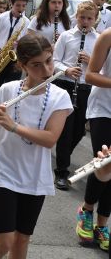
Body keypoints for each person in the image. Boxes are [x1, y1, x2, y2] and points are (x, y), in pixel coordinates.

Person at [0, 34, 73, 259]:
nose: (47, 70)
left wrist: (13, 126)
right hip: (4, 173)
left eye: (49, 61)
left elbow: (50, 138)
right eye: (36, 65)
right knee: (4, 240)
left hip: (34, 178)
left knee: (21, 240)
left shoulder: (60, 97)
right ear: (22, 65)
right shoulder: (7, 90)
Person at [53, 1, 99, 190]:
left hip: (85, 88)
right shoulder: (66, 36)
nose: (85, 21)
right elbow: (55, 61)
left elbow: (102, 68)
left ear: (95, 20)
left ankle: (63, 156)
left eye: (89, 18)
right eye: (82, 17)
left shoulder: (98, 40)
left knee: (79, 130)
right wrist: (67, 70)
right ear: (76, 17)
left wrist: (90, 61)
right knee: (66, 130)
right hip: (65, 84)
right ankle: (62, 171)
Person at [75, 28, 111, 253]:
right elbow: (90, 75)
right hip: (104, 109)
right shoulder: (107, 36)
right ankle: (87, 210)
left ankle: (102, 224)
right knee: (104, 161)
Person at [0, 0, 30, 110]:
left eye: (23, 6)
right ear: (11, 4)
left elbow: (27, 41)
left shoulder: (26, 22)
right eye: (18, 5)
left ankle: (4, 113)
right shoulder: (1, 17)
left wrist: (19, 44)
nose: (21, 9)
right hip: (0, 52)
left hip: (15, 56)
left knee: (12, 88)